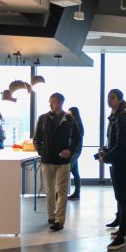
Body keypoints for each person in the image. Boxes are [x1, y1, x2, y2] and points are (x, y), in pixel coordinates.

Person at [33, 93, 80, 231]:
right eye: (49, 102)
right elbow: (36, 139)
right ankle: (51, 215)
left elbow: (77, 139)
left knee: (62, 191)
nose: (49, 104)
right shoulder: (43, 119)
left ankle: (60, 220)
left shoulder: (70, 119)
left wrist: (70, 151)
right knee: (49, 190)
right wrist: (43, 152)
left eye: (51, 102)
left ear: (59, 103)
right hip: (47, 161)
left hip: (63, 161)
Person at [99, 89, 126, 251]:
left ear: (120, 100)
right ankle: (124, 229)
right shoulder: (115, 117)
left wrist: (106, 157)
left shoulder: (122, 117)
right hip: (117, 162)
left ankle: (121, 236)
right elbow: (113, 142)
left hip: (122, 163)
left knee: (123, 197)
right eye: (108, 97)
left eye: (112, 98)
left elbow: (121, 145)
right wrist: (105, 151)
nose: (108, 100)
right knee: (120, 196)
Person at [67, 107, 84, 200]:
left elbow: (74, 139)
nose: (68, 116)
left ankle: (61, 193)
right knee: (75, 172)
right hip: (76, 151)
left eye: (70, 114)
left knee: (66, 171)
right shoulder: (78, 123)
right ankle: (77, 193)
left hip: (74, 151)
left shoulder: (76, 124)